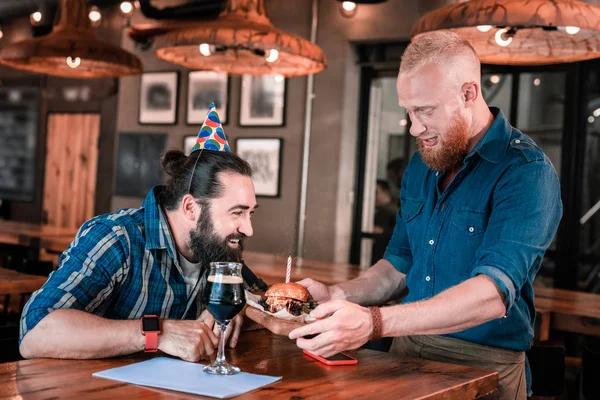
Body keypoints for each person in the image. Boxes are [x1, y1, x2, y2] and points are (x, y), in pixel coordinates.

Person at [289, 30, 562, 399]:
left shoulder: (526, 172)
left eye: (425, 111)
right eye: (408, 112)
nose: (415, 127)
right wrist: (338, 295)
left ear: (469, 94)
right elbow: (396, 266)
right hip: (405, 349)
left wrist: (374, 323)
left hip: (482, 365)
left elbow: (492, 295)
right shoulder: (422, 164)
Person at [19, 104, 267, 362]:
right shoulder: (116, 238)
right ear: (191, 208)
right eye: (237, 213)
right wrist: (157, 332)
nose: (248, 228)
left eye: (251, 213)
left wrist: (240, 308)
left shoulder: (215, 247)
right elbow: (35, 334)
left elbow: (264, 299)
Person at [372, 180, 397, 264]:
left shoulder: (395, 212)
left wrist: (382, 231)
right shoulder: (374, 212)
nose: (373, 196)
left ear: (386, 192)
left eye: (376, 192)